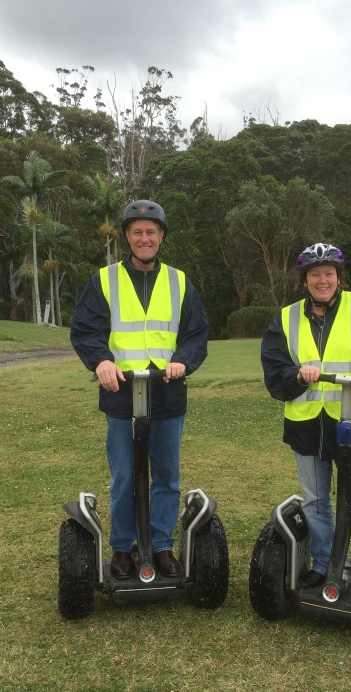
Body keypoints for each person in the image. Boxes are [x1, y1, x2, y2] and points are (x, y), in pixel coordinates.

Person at [261, 243, 351, 605]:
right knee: (314, 500)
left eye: (328, 273)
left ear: (338, 277)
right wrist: (297, 376)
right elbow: (275, 371)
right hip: (308, 422)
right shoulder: (286, 318)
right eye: (314, 274)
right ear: (304, 281)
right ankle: (325, 563)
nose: (322, 280)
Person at [70, 199, 209, 579]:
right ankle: (123, 549)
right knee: (126, 476)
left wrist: (184, 360)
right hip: (120, 390)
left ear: (161, 237)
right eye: (137, 232)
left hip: (167, 389)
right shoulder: (104, 280)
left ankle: (162, 545)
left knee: (166, 474)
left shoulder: (179, 282)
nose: (144, 238)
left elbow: (196, 332)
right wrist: (101, 360)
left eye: (151, 232)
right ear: (127, 237)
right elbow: (85, 329)